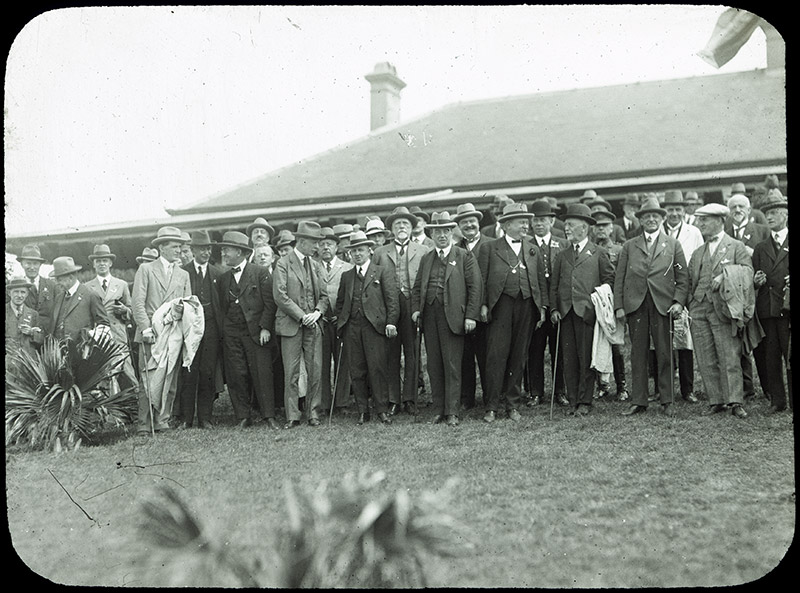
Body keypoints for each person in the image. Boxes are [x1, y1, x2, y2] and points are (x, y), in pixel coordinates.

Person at [613, 197, 688, 417]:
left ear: (662, 219)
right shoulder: (629, 246)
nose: (651, 220)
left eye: (655, 216)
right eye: (647, 216)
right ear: (641, 220)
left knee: (665, 352)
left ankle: (667, 400)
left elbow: (682, 278)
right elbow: (620, 278)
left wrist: (677, 302)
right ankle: (639, 400)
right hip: (636, 305)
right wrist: (619, 306)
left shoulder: (673, 245)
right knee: (638, 354)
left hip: (662, 305)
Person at [477, 202, 548, 423]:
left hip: (526, 306)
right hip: (500, 307)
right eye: (521, 222)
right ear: (507, 225)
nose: (526, 226)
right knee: (496, 355)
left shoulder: (533, 249)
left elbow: (539, 281)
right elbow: (481, 280)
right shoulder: (489, 248)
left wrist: (542, 307)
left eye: (527, 222)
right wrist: (483, 305)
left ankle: (512, 405)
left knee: (519, 356)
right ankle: (491, 406)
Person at [412, 212, 481, 426]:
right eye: (437, 232)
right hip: (430, 316)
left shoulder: (463, 256)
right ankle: (439, 409)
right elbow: (417, 289)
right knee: (434, 364)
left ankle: (452, 411)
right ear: (431, 234)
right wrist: (416, 310)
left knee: (452, 364)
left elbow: (475, 288)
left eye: (446, 231)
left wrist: (470, 315)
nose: (442, 235)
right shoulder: (426, 258)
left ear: (452, 233)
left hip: (454, 317)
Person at [687, 203, 753, 419]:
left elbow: (747, 272)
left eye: (704, 220)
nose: (700, 224)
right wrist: (691, 303)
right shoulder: (698, 253)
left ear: (719, 221)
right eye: (699, 220)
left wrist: (725, 275)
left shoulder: (736, 246)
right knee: (705, 356)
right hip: (699, 309)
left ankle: (735, 401)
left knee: (728, 354)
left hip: (723, 309)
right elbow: (689, 281)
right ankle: (716, 400)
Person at [550, 204, 614, 416]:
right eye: (566, 225)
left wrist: (599, 303)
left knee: (586, 357)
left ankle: (585, 401)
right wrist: (554, 309)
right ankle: (573, 399)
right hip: (566, 314)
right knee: (568, 358)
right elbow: (554, 285)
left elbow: (608, 282)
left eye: (570, 225)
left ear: (584, 228)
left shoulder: (598, 253)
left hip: (587, 314)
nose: (566, 228)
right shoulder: (561, 255)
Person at [131, 226, 192, 435]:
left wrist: (181, 315)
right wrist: (146, 328)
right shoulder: (146, 270)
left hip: (172, 333)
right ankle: (144, 423)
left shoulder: (183, 274)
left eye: (180, 247)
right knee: (148, 377)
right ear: (162, 248)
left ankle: (162, 420)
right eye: (174, 247)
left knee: (170, 377)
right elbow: (137, 302)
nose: (179, 251)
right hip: (151, 334)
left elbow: (189, 304)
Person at [216, 230, 279, 429]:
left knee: (262, 374)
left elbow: (270, 304)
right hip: (232, 334)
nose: (223, 254)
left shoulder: (259, 273)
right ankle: (243, 416)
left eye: (227, 250)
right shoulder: (224, 278)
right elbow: (222, 307)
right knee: (236, 374)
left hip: (256, 333)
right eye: (223, 250)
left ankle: (269, 415)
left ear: (240, 253)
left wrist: (265, 328)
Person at [335, 230, 398, 425]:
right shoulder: (346, 276)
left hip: (374, 327)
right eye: (354, 252)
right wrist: (342, 323)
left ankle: (382, 410)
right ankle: (363, 410)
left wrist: (390, 322)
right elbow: (340, 303)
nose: (357, 254)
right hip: (352, 327)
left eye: (361, 250)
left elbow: (392, 300)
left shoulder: (381, 271)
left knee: (377, 368)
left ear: (370, 251)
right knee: (357, 370)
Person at [372, 206, 429, 416]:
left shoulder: (423, 250)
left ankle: (410, 398)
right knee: (391, 354)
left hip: (413, 306)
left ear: (412, 227)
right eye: (397, 224)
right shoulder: (380, 253)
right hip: (390, 308)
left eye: (405, 223)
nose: (401, 227)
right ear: (392, 230)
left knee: (413, 353)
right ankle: (393, 399)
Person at [273, 220, 329, 428]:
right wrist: (301, 315)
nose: (317, 247)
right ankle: (292, 415)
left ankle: (313, 412)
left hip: (313, 325)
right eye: (314, 242)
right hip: (291, 325)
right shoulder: (283, 263)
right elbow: (280, 295)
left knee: (315, 370)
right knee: (292, 372)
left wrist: (316, 313)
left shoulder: (315, 265)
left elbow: (324, 296)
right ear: (302, 241)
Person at [724, 193, 770, 401]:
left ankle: (769, 388)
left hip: (758, 294)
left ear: (749, 210)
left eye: (741, 206)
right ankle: (746, 387)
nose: (737, 210)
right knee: (737, 341)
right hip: (734, 295)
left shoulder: (761, 231)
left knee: (760, 343)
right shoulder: (724, 233)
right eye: (733, 207)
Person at [176, 230, 224, 428]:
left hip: (211, 329)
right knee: (189, 372)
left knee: (207, 372)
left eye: (208, 248)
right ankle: (186, 418)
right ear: (193, 250)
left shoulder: (218, 274)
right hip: (189, 329)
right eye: (201, 249)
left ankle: (205, 418)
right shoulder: (184, 272)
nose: (205, 252)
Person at [524, 198, 569, 407]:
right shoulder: (526, 244)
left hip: (558, 306)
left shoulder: (563, 243)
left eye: (543, 220)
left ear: (551, 221)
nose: (539, 224)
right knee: (535, 350)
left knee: (558, 349)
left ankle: (560, 390)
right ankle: (536, 391)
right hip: (535, 305)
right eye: (535, 221)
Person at [662, 190, 704, 403]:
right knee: (660, 342)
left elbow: (698, 261)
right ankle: (663, 389)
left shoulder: (693, 232)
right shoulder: (656, 230)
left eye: (678, 209)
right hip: (660, 292)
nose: (674, 213)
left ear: (684, 210)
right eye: (670, 209)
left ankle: (688, 389)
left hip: (684, 292)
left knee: (684, 341)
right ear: (664, 211)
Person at [752, 194, 790, 413]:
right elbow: (754, 280)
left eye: (774, 212)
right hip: (768, 310)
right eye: (767, 214)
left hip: (787, 308)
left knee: (790, 355)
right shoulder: (760, 248)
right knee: (771, 357)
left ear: (785, 215)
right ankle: (777, 401)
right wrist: (757, 282)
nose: (769, 217)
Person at [83, 244, 138, 392]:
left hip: (118, 335)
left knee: (128, 372)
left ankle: (136, 407)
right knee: (103, 375)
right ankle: (108, 412)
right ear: (94, 264)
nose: (102, 264)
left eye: (105, 260)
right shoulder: (87, 287)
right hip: (99, 337)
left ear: (110, 263)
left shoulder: (121, 285)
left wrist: (124, 310)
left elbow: (131, 309)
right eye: (98, 261)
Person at [453, 202, 490, 410]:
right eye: (464, 222)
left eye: (472, 221)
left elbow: (493, 281)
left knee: (486, 356)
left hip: (484, 313)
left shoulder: (491, 245)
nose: (469, 225)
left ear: (478, 223)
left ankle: (489, 395)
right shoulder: (454, 249)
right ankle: (467, 397)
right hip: (461, 312)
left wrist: (484, 306)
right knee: (465, 357)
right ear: (459, 226)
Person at [589, 207, 628, 402]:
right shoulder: (591, 249)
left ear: (612, 228)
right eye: (597, 226)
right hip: (596, 301)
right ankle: (602, 385)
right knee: (597, 342)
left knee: (617, 345)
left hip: (614, 302)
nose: (601, 230)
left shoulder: (620, 250)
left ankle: (622, 386)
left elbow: (622, 278)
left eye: (604, 226)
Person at [318, 226, 354, 413]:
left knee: (343, 361)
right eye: (322, 244)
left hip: (340, 321)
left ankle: (341, 403)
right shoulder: (313, 267)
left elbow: (350, 296)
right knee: (321, 362)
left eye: (329, 244)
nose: (326, 248)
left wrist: (341, 317)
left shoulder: (347, 267)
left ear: (336, 247)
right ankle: (324, 403)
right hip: (321, 322)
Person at [49, 256, 111, 342]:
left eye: (59, 280)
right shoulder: (59, 298)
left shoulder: (90, 295)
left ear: (70, 277)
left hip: (81, 351)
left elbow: (104, 324)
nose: (57, 283)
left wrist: (89, 336)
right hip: (59, 351)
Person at [16, 244, 57, 331]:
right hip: (23, 339)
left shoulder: (52, 286)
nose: (32, 267)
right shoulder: (15, 287)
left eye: (35, 263)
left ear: (40, 265)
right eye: (28, 263)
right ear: (22, 264)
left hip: (47, 339)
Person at [5, 276, 44, 357]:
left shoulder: (33, 314)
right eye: (16, 292)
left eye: (23, 292)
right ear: (9, 293)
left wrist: (32, 333)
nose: (19, 295)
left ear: (27, 294)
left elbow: (41, 340)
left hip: (28, 363)